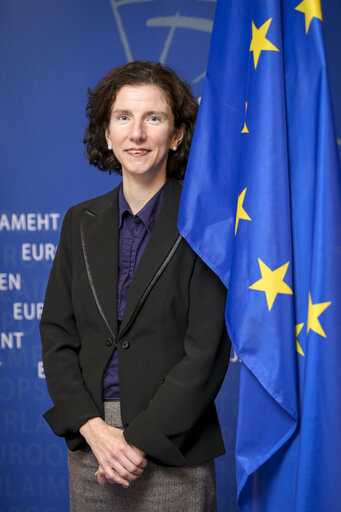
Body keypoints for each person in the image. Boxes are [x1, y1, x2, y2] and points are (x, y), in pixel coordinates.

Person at [40, 60, 230, 512]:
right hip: (92, 448)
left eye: (154, 118)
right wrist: (93, 429)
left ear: (178, 134)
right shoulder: (78, 223)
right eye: (123, 117)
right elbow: (57, 335)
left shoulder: (206, 224)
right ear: (107, 133)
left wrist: (134, 444)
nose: (137, 134)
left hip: (172, 446)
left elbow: (205, 353)